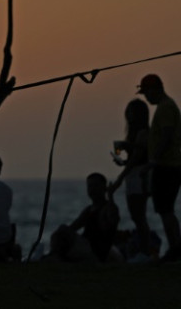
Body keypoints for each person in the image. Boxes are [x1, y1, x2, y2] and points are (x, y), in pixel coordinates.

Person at [136, 74, 181, 261]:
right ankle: (175, 249)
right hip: (167, 165)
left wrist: (153, 160)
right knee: (165, 210)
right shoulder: (166, 107)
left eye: (146, 93)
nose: (146, 97)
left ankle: (175, 249)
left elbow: (167, 136)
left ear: (155, 90)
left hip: (166, 166)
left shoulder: (165, 108)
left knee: (166, 210)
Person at [108, 99, 151, 256]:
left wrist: (120, 178)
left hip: (138, 177)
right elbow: (135, 157)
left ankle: (145, 251)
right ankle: (144, 249)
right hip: (134, 176)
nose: (130, 116)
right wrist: (123, 160)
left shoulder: (143, 133)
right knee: (137, 216)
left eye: (132, 112)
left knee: (138, 216)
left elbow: (138, 157)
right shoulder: (136, 134)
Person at [66, 173, 120, 262]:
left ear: (104, 188)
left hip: (95, 253)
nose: (92, 189)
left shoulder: (109, 208)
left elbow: (112, 222)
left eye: (95, 186)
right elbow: (73, 227)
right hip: (85, 247)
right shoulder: (89, 210)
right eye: (89, 186)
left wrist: (111, 197)